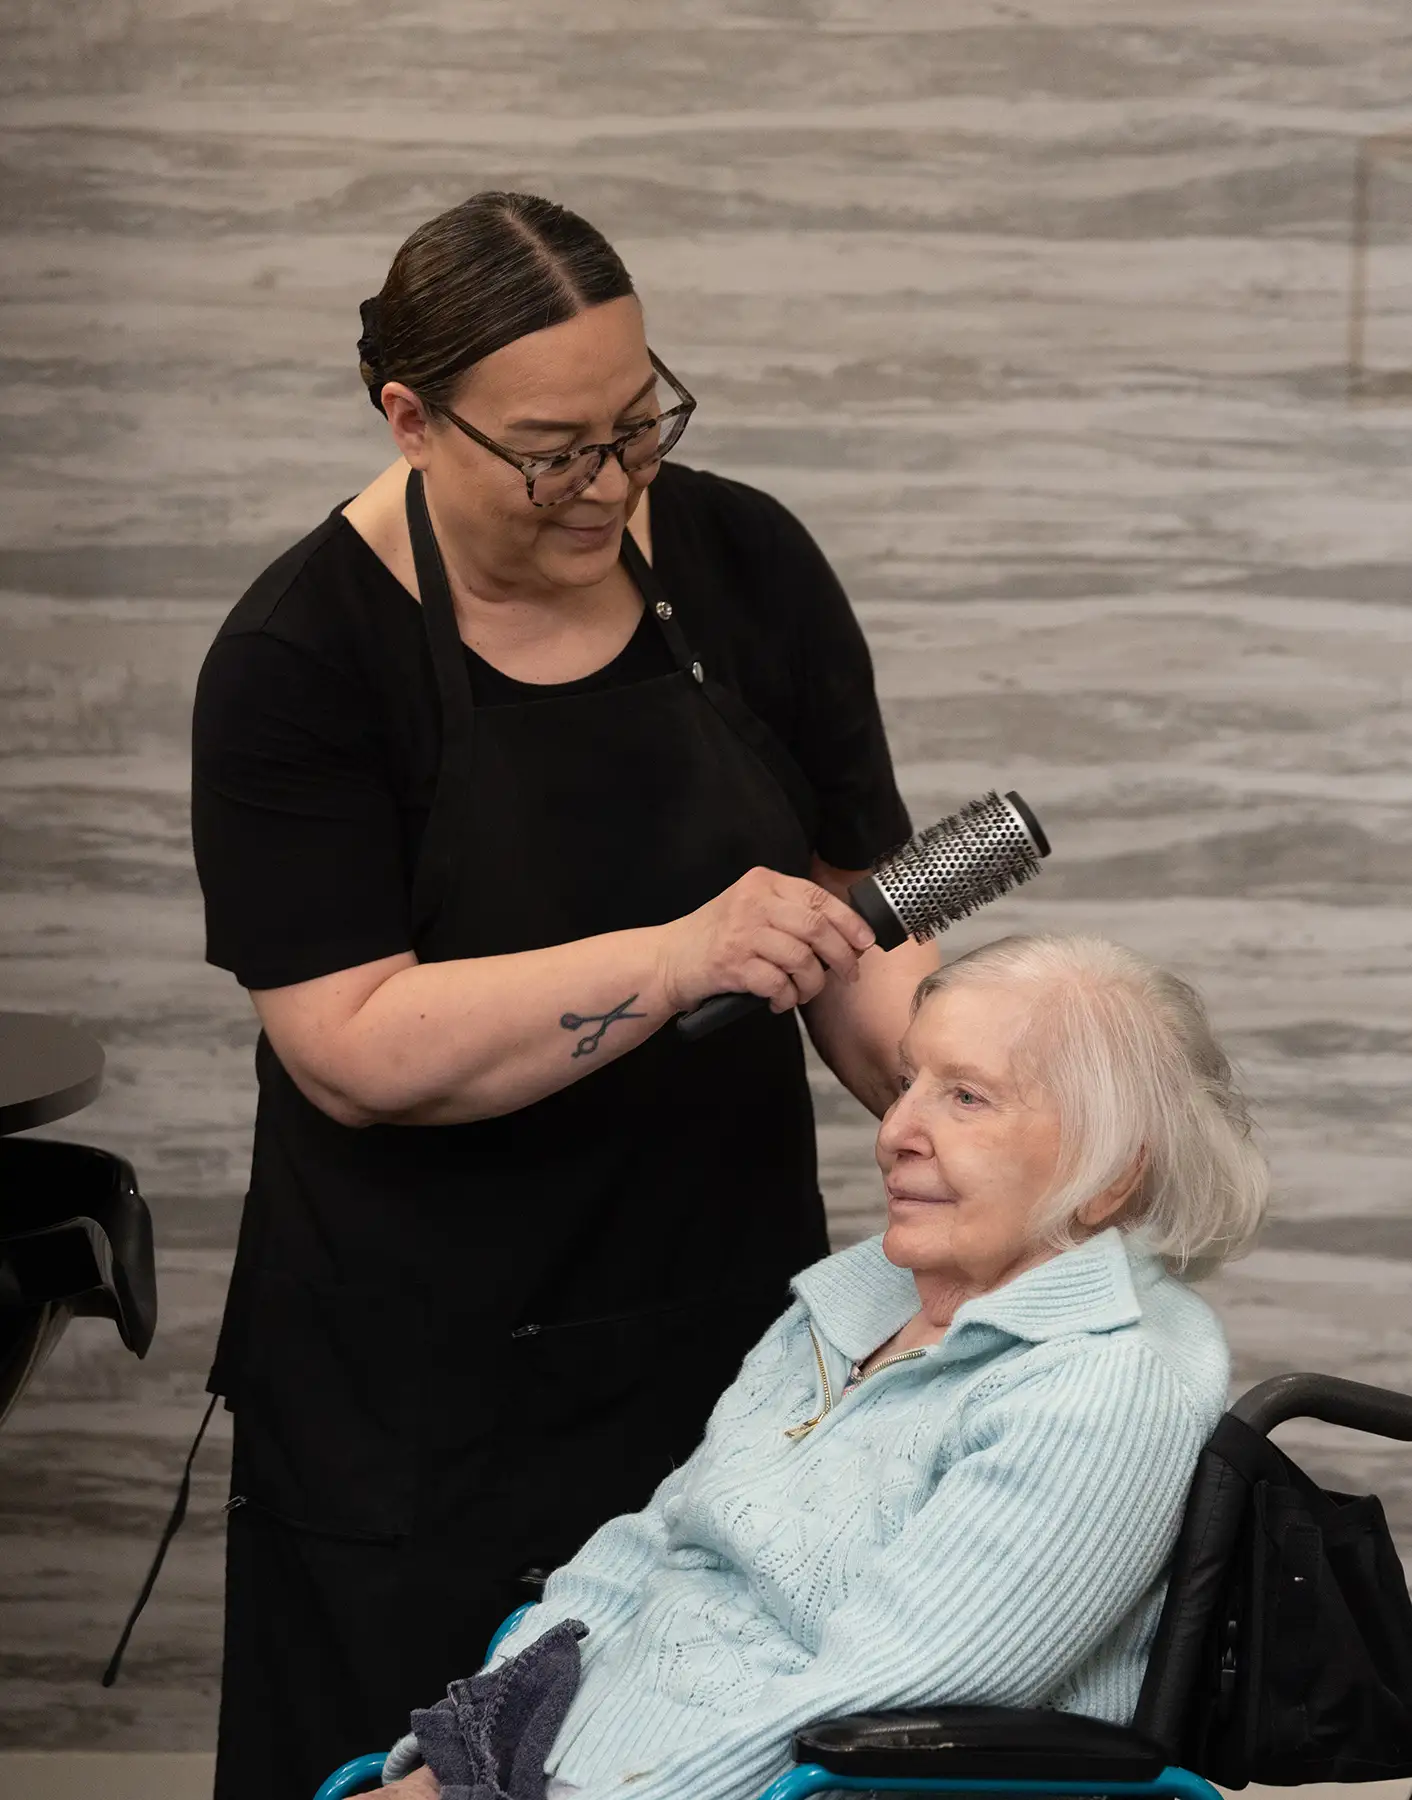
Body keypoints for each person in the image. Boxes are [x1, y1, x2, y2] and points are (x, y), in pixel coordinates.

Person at [189, 189, 938, 1800]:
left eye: (638, 420)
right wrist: (678, 956)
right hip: (414, 1388)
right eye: (553, 448)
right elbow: (354, 1049)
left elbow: (854, 918)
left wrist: (957, 1093)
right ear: (410, 416)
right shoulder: (301, 661)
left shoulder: (747, 561)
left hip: (720, 1341)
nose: (609, 481)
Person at [376, 933, 1269, 1800]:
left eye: (966, 1097)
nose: (898, 1130)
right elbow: (642, 1552)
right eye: (908, 1082)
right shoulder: (856, 1305)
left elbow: (897, 1687)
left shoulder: (1107, 1384)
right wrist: (459, 1762)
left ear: (1110, 1175)